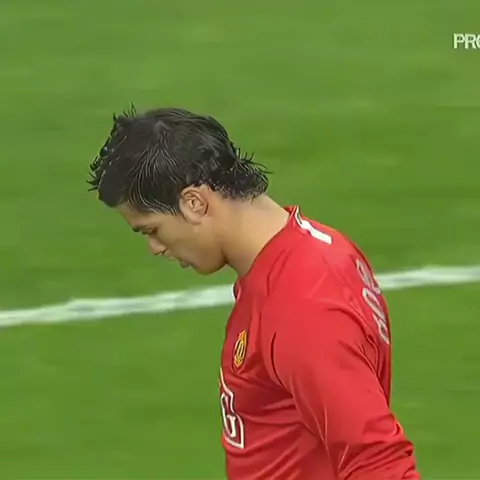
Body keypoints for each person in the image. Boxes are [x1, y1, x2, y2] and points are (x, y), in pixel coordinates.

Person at [88, 107, 420, 479]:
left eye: (152, 230)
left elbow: (378, 462)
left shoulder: (303, 305)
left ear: (194, 203)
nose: (155, 248)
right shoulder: (298, 257)